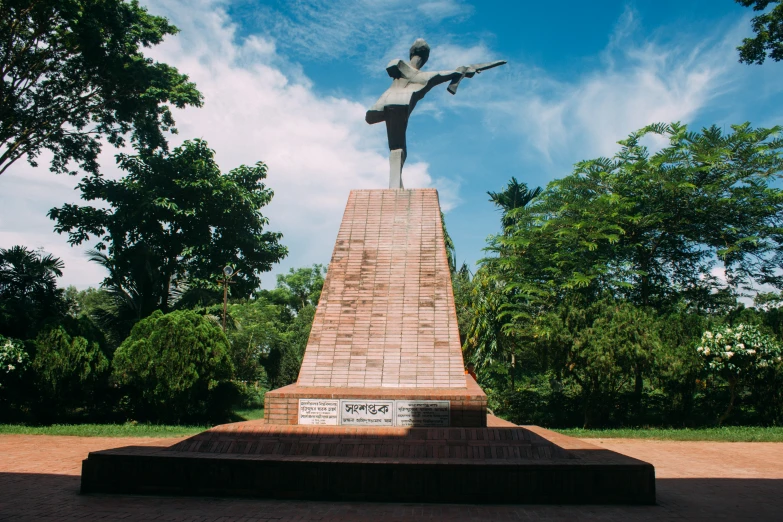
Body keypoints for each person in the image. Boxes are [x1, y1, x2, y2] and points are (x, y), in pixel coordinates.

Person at [366, 39, 505, 188]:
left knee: (396, 147)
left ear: (411, 52)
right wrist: (459, 72)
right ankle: (394, 188)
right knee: (398, 148)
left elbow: (394, 67)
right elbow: (429, 74)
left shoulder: (408, 68)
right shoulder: (422, 76)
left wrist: (460, 73)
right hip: (401, 105)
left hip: (387, 104)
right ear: (426, 58)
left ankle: (395, 186)